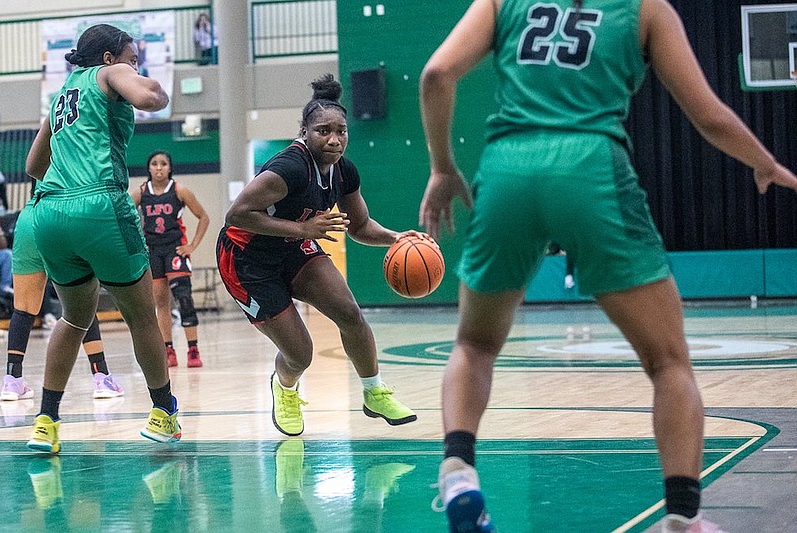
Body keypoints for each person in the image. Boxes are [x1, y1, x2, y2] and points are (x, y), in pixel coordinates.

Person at [418, 0, 797, 532]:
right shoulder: (647, 9)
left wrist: (442, 168)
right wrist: (765, 162)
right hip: (590, 170)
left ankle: (458, 471)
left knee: (474, 345)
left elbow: (437, 73)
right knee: (668, 362)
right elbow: (708, 114)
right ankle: (683, 518)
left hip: (508, 170)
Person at [217, 74, 420, 437]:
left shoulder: (344, 172)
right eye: (324, 131)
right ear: (305, 133)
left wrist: (395, 239)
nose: (334, 139)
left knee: (350, 313)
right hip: (247, 260)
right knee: (301, 354)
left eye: (341, 131)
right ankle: (285, 387)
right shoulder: (289, 168)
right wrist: (303, 230)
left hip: (292, 247)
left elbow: (359, 227)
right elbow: (237, 214)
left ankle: (374, 392)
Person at [23, 23, 182, 454]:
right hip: (100, 206)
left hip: (50, 212)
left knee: (74, 318)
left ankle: (46, 420)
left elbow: (34, 165)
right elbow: (150, 97)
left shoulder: (59, 98)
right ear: (110, 58)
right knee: (141, 316)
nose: (134, 66)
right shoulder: (109, 74)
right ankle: (164, 411)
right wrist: (156, 86)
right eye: (132, 58)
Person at [1, 182, 124, 402]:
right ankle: (101, 375)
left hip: (31, 215)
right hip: (64, 213)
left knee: (23, 308)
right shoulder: (75, 152)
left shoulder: (40, 151)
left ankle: (12, 380)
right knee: (81, 302)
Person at [131, 150, 210, 368]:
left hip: (175, 249)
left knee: (184, 298)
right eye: (154, 163)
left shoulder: (179, 190)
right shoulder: (140, 193)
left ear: (170, 167)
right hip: (153, 251)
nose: (159, 167)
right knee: (160, 302)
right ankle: (168, 349)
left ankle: (193, 349)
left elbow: (204, 217)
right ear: (148, 168)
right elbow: (123, 215)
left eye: (163, 164)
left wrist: (192, 245)